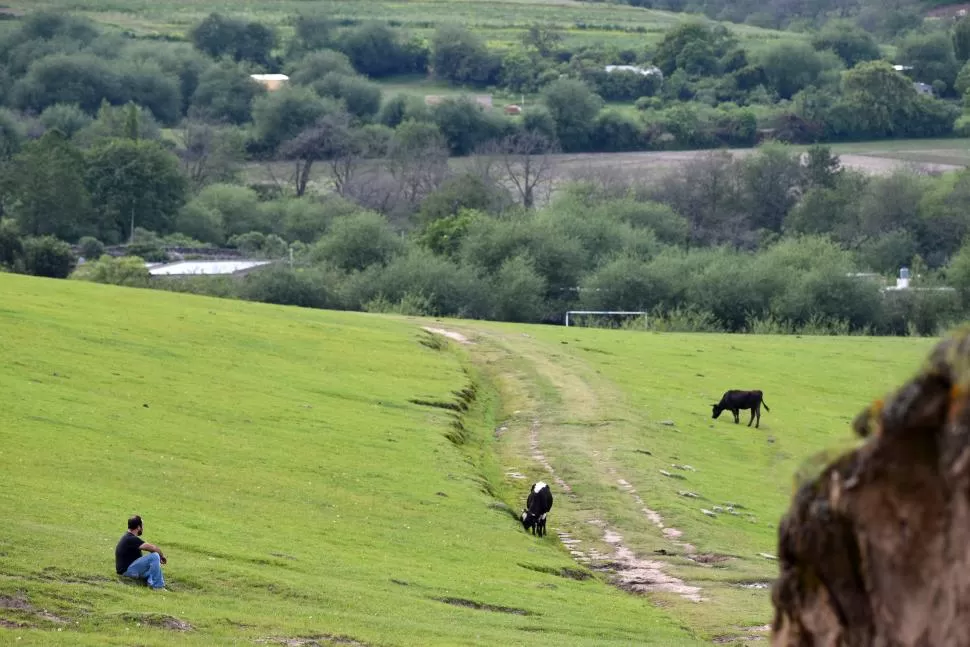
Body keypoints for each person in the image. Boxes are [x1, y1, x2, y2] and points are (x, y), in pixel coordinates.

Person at [115, 515, 167, 590]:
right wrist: (161, 556)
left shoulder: (127, 537)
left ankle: (151, 583)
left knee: (154, 569)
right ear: (138, 527)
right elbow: (152, 548)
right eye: (142, 526)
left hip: (129, 570)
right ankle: (158, 587)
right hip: (127, 571)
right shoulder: (131, 539)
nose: (143, 528)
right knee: (155, 556)